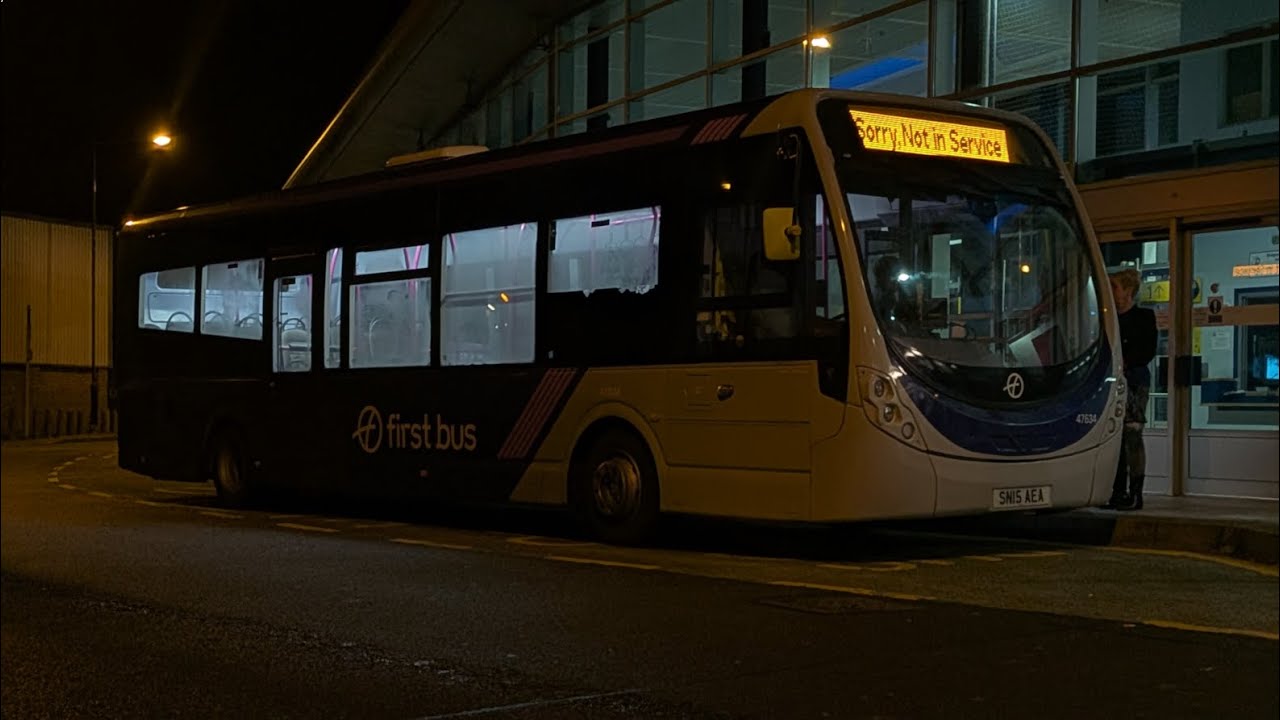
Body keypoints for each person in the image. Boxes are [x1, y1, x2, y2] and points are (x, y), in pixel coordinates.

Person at [1103, 268, 1158, 510]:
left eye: (1115, 287)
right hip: (1111, 381)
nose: (1111, 292)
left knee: (1132, 434)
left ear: (1128, 291)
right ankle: (1117, 491)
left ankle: (1135, 492)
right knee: (1114, 436)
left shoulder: (1144, 317)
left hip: (1133, 380)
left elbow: (1147, 351)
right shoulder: (1107, 318)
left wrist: (1125, 362)